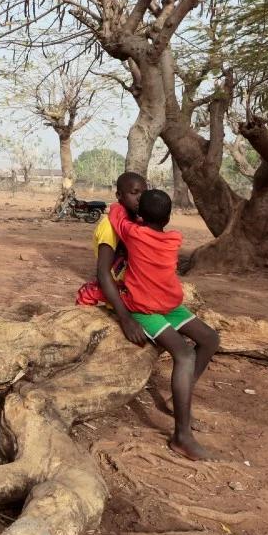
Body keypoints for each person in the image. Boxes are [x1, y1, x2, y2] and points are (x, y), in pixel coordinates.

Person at [107, 189, 219, 461]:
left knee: (209, 339)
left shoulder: (134, 233)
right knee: (186, 353)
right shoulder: (174, 238)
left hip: (161, 307)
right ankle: (181, 436)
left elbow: (115, 213)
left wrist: (126, 205)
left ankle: (180, 396)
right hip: (149, 308)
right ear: (168, 218)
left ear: (140, 216)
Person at [75, 172, 146, 333]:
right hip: (118, 293)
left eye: (144, 193)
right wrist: (125, 319)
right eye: (134, 193)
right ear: (119, 195)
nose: (140, 198)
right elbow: (103, 273)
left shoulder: (136, 222)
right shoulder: (109, 226)